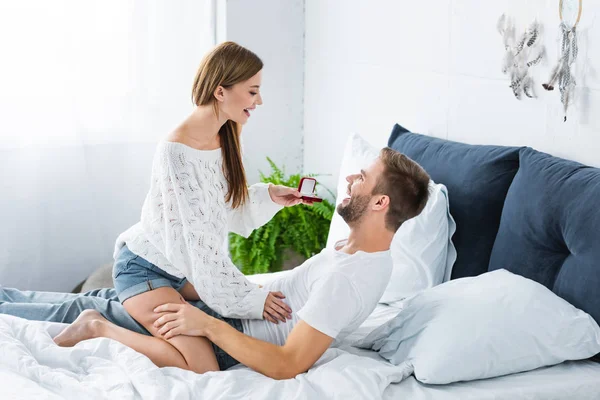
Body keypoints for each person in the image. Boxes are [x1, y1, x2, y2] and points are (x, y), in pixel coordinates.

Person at [52, 148, 431, 379]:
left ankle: (98, 329)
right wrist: (225, 290)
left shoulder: (350, 279)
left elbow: (287, 365)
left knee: (96, 313)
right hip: (231, 307)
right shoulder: (350, 248)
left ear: (381, 204)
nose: (349, 178)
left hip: (225, 332)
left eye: (362, 178)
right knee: (90, 303)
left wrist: (207, 324)